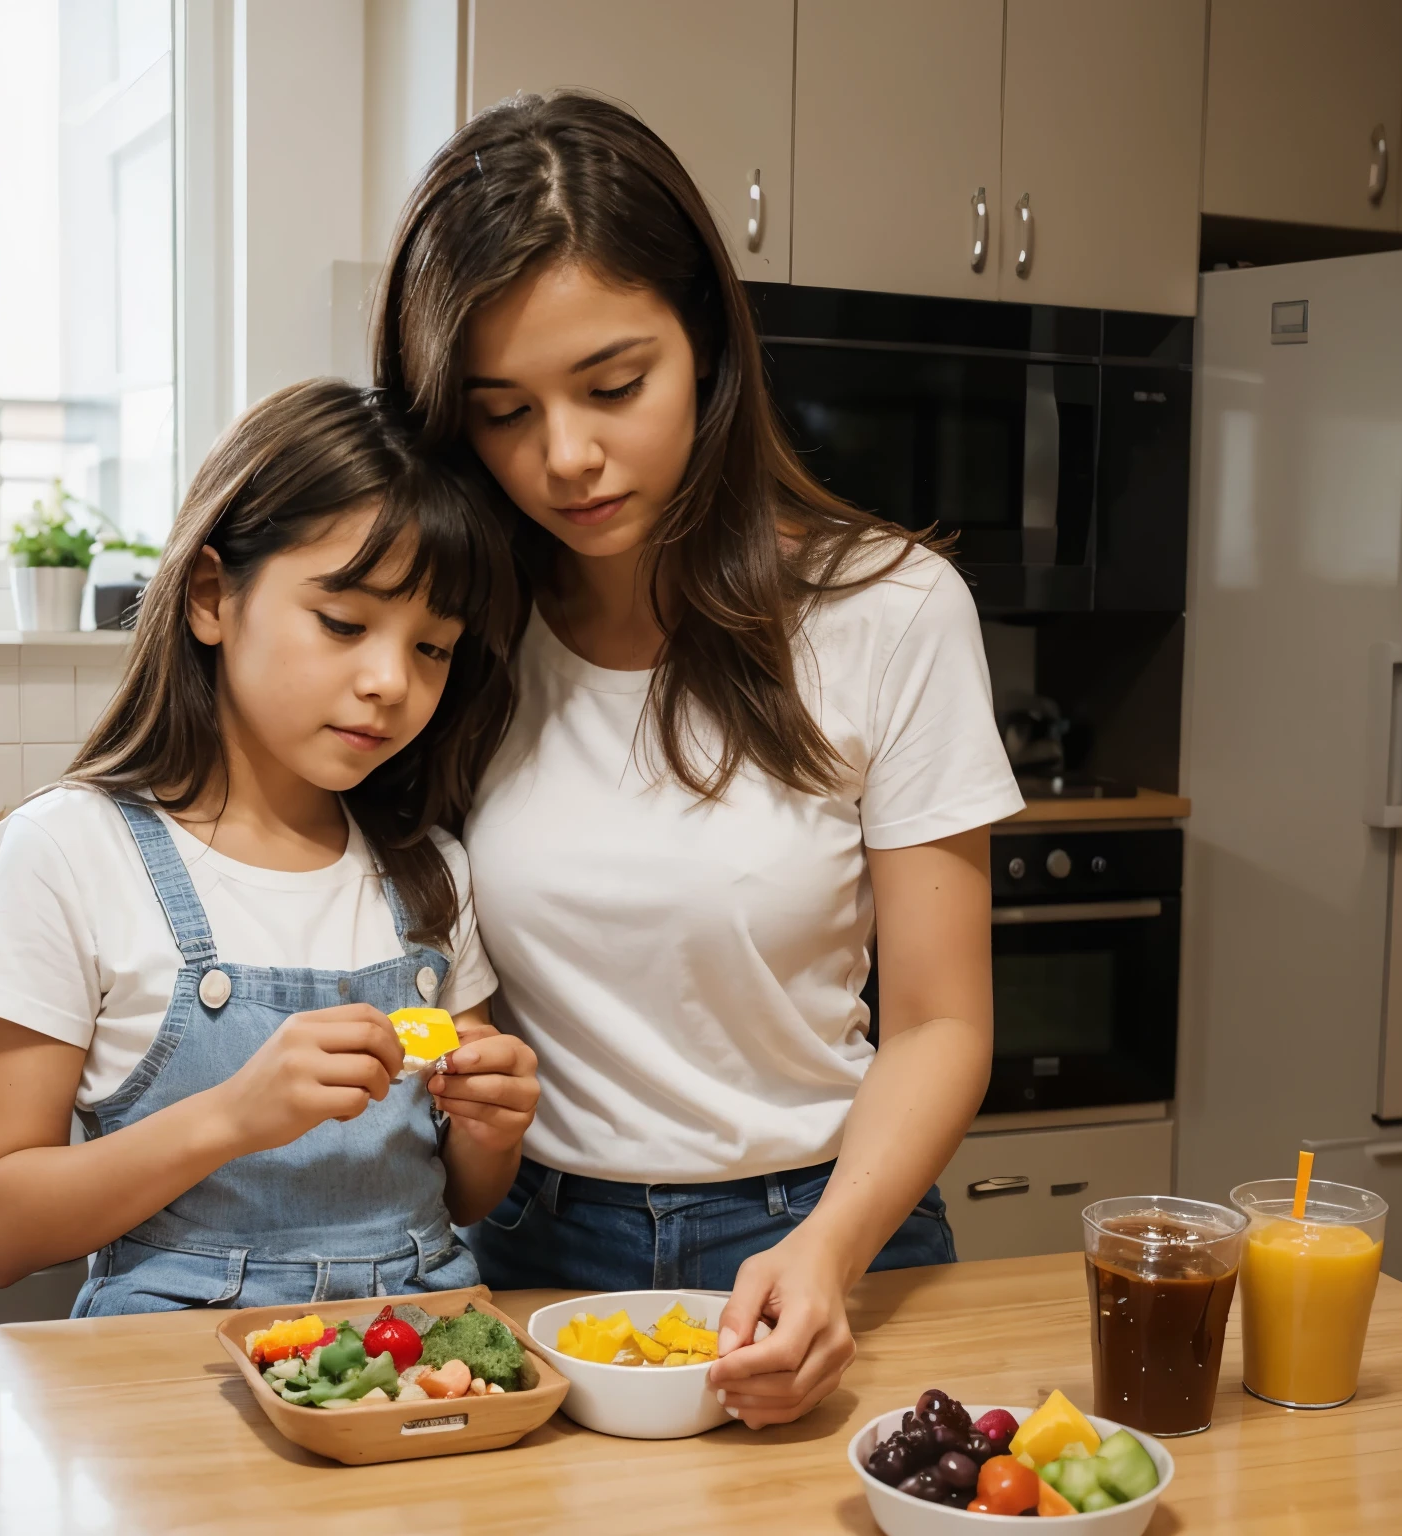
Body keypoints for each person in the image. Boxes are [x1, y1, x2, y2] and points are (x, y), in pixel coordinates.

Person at [374, 92, 1023, 1427]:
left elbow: (945, 1020)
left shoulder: (891, 611)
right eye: (503, 413)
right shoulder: (452, 636)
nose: (567, 458)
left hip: (836, 1236)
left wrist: (827, 1250)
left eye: (615, 386)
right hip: (529, 1260)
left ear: (710, 347)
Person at [0, 380, 540, 1314]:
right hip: (171, 1397)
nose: (391, 681)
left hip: (416, 1372)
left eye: (434, 648)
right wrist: (230, 1117)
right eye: (344, 623)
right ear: (214, 597)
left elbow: (464, 1198)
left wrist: (493, 1129)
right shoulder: (69, 853)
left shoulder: (432, 873)